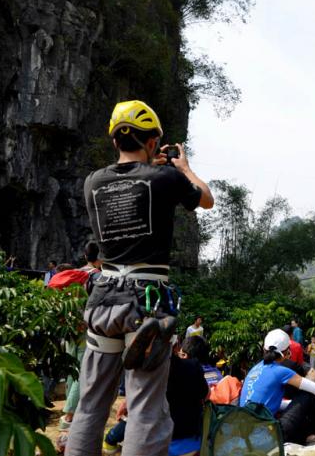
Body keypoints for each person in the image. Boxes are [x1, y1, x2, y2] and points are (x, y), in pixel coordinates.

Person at [66, 100, 214, 456]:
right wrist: (184, 168)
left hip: (102, 298)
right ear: (151, 143)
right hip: (145, 304)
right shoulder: (165, 178)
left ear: (115, 141)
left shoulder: (93, 182)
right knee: (146, 407)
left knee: (90, 404)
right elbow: (206, 199)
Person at [240, 329, 315, 452]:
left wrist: (294, 406)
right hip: (272, 434)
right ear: (287, 352)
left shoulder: (254, 369)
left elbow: (265, 404)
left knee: (296, 408)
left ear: (264, 350)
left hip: (251, 436)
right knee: (308, 396)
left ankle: (312, 438)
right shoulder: (280, 371)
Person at [103, 336, 210, 455]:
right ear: (176, 348)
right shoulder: (194, 367)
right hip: (190, 445)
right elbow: (206, 395)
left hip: (156, 446)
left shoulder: (149, 377)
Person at [58, 243, 103, 432]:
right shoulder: (99, 276)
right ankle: (69, 415)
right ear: (99, 258)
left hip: (69, 327)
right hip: (86, 329)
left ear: (85, 256)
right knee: (82, 371)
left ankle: (69, 407)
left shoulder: (72, 275)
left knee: (71, 369)